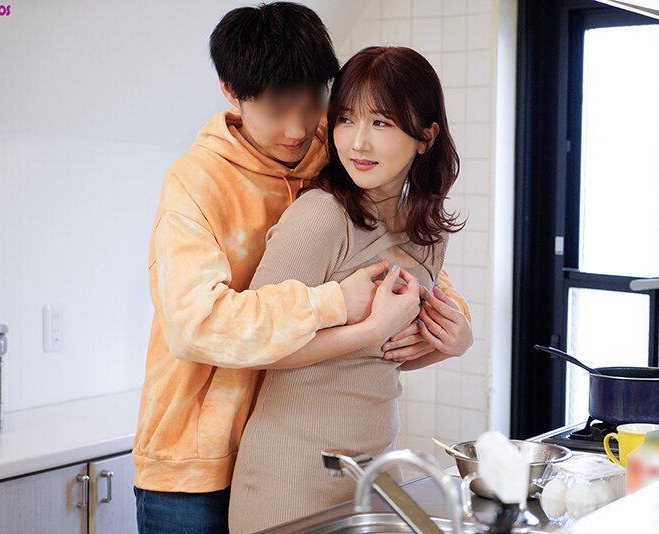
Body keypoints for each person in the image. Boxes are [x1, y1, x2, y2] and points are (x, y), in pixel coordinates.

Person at [132, 4, 470, 534]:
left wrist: (452, 323)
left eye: (312, 105)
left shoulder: (333, 153)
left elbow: (391, 250)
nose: (296, 129)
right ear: (231, 91)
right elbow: (196, 326)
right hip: (198, 456)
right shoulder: (196, 184)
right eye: (276, 110)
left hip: (303, 438)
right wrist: (341, 305)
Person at [228, 46, 474, 534]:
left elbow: (382, 358)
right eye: (345, 119)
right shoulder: (321, 216)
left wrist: (453, 343)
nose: (358, 142)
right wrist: (367, 330)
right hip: (291, 476)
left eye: (381, 122)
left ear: (425, 137)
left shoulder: (428, 230)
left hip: (376, 470)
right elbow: (254, 347)